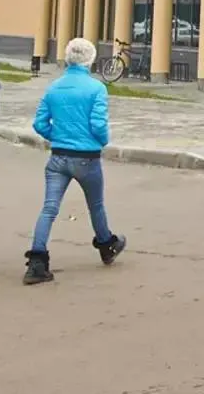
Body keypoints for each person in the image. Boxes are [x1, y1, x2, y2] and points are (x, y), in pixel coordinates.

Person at [24, 37, 128, 285]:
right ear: (90, 60)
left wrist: (57, 136)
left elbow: (39, 123)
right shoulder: (96, 89)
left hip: (58, 157)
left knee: (49, 208)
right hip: (86, 157)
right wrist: (101, 140)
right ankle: (106, 245)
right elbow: (98, 125)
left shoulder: (54, 87)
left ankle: (37, 260)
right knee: (96, 205)